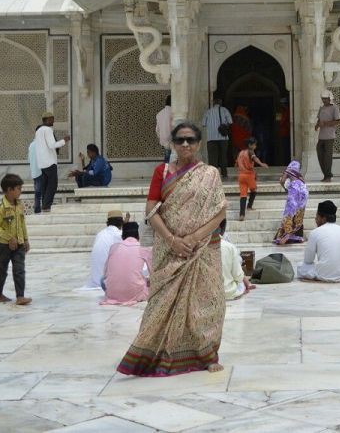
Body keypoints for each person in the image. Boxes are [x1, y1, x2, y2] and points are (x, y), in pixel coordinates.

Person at [116, 122, 227, 376]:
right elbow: (151, 209)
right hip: (170, 249)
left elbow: (219, 212)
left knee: (207, 303)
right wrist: (172, 239)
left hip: (202, 249)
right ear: (173, 144)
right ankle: (157, 353)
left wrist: (194, 237)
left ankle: (207, 355)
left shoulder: (210, 174)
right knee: (162, 304)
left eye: (190, 140)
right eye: (180, 140)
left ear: (199, 144)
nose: (185, 145)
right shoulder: (162, 172)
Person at [0, 173, 31, 305]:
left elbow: (22, 223)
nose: (20, 191)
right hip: (4, 245)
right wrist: (9, 238)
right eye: (18, 188)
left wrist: (25, 239)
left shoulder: (19, 205)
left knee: (19, 269)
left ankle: (20, 296)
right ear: (9, 190)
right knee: (1, 270)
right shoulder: (0, 208)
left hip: (18, 244)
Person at [297, 200, 340, 283]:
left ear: (323, 218)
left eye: (317, 216)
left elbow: (308, 260)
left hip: (324, 275)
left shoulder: (315, 232)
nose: (315, 219)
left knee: (301, 266)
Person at [101, 221, 152, 305]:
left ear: (122, 236)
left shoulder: (113, 247)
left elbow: (105, 274)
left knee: (101, 281)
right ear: (139, 235)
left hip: (112, 293)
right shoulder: (143, 248)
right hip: (135, 294)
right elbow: (154, 273)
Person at [33, 111, 70, 213]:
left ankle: (45, 205)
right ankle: (46, 205)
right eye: (51, 119)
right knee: (52, 184)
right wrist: (64, 141)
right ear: (46, 120)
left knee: (45, 184)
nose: (53, 121)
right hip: (49, 162)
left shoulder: (38, 131)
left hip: (42, 163)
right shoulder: (47, 130)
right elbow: (52, 145)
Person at [83, 211, 124, 289]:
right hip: (106, 280)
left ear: (107, 223)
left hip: (95, 279)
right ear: (121, 223)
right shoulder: (119, 234)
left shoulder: (101, 233)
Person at [219, 220, 255, 300]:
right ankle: (247, 284)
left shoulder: (197, 246)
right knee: (238, 278)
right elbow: (238, 276)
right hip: (227, 292)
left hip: (204, 295)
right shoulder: (229, 246)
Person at [274, 160, 308, 244]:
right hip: (304, 190)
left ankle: (285, 235)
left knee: (289, 212)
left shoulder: (288, 170)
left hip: (294, 189)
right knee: (299, 212)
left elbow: (282, 181)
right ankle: (298, 236)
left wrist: (285, 188)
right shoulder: (298, 174)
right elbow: (303, 182)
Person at [236, 137, 268, 220]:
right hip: (248, 175)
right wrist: (261, 164)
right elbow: (255, 158)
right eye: (254, 145)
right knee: (253, 190)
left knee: (243, 195)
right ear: (250, 145)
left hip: (241, 176)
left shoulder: (241, 152)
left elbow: (236, 164)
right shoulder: (250, 151)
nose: (255, 146)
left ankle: (241, 215)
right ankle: (249, 206)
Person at [202, 96, 232, 178]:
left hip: (211, 138)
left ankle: (213, 175)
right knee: (223, 156)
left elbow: (203, 124)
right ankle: (224, 174)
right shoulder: (225, 110)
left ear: (213, 104)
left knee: (212, 157)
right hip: (223, 138)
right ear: (221, 103)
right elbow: (230, 121)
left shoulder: (208, 112)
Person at [315, 91, 340, 182]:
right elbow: (319, 119)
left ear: (330, 99)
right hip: (321, 137)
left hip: (329, 136)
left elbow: (337, 121)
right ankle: (325, 174)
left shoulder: (335, 108)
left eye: (326, 99)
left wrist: (325, 123)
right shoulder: (321, 108)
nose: (324, 100)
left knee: (327, 157)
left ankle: (328, 176)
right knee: (320, 155)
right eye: (323, 99)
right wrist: (317, 125)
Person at [27, 125, 43, 214]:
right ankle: (42, 210)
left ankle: (37, 210)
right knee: (42, 193)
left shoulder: (31, 145)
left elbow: (29, 159)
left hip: (34, 173)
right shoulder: (41, 145)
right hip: (41, 172)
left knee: (37, 193)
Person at [155, 95, 173, 163]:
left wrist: (162, 139)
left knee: (167, 162)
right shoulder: (174, 113)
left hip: (164, 142)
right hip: (173, 140)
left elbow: (157, 130)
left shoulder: (159, 114)